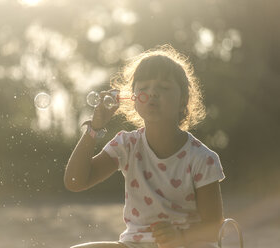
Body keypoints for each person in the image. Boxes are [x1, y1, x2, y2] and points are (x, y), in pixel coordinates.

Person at [64, 44, 225, 248]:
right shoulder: (127, 145)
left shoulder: (202, 158)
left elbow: (213, 227)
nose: (152, 93)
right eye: (143, 88)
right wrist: (94, 129)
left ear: (183, 99)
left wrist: (181, 237)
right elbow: (75, 182)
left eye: (164, 87)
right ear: (134, 98)